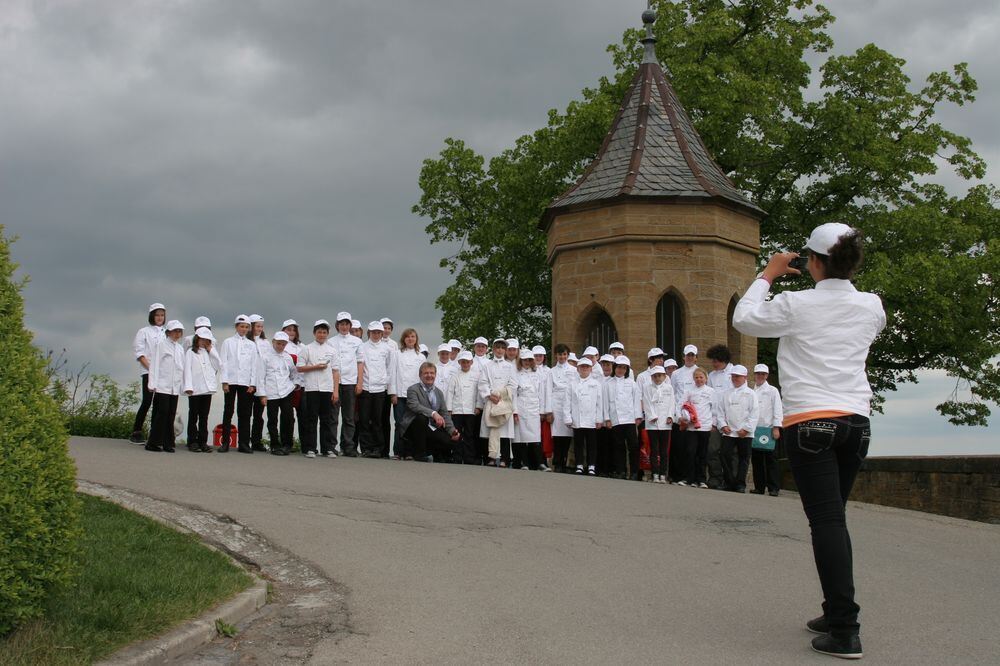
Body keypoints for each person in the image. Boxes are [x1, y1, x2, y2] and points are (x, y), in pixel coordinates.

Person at [733, 222, 886, 659]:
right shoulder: (872, 306)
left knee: (827, 524)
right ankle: (833, 610)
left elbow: (744, 319)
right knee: (834, 518)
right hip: (856, 423)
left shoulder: (795, 304)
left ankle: (844, 629)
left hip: (811, 422)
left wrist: (768, 274)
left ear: (813, 261)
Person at [400, 362, 462, 462]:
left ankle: (435, 453)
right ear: (420, 375)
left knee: (450, 440)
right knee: (421, 418)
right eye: (426, 373)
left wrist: (452, 431)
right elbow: (414, 406)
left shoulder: (439, 392)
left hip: (431, 427)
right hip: (413, 427)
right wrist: (433, 413)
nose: (429, 375)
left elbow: (445, 414)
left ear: (435, 375)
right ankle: (418, 453)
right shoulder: (412, 389)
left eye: (432, 373)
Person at [296, 320, 341, 459]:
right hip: (312, 388)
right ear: (314, 333)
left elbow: (336, 371)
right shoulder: (307, 348)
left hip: (327, 389)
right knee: (312, 419)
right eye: (319, 332)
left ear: (328, 334)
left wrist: (335, 391)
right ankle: (311, 448)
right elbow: (299, 367)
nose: (322, 335)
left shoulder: (332, 350)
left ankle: (327, 448)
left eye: (324, 332)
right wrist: (316, 367)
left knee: (326, 420)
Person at [714, 364, 759, 492]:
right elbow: (720, 411)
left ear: (744, 377)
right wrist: (723, 425)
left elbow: (754, 413)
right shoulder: (726, 393)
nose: (735, 378)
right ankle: (729, 482)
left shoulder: (751, 394)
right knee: (724, 455)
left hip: (744, 432)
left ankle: (740, 484)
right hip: (729, 431)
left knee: (743, 458)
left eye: (737, 376)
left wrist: (747, 428)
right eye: (733, 376)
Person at [219, 314, 259, 453]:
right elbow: (223, 363)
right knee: (228, 411)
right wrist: (224, 382)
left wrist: (252, 384)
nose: (244, 329)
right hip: (231, 381)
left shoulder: (252, 345)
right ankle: (225, 443)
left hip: (245, 382)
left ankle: (243, 443)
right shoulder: (227, 342)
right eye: (241, 326)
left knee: (245, 413)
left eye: (246, 327)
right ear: (236, 327)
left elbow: (254, 365)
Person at [146, 320, 185, 452]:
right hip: (162, 385)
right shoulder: (161, 345)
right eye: (175, 331)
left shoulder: (180, 348)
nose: (177, 334)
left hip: (174, 387)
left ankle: (168, 443)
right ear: (168, 332)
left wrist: (183, 385)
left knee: (171, 414)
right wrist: (152, 383)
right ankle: (153, 442)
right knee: (162, 413)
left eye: (179, 331)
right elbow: (155, 364)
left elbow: (181, 368)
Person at [258, 331, 299, 456]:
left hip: (286, 391)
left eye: (283, 344)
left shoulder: (287, 357)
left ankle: (287, 444)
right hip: (271, 392)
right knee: (272, 420)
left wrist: (294, 385)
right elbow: (260, 377)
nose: (280, 346)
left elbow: (294, 373)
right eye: (278, 343)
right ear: (273, 342)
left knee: (288, 418)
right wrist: (262, 394)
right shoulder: (265, 357)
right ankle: (275, 445)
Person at [130, 302, 166, 443]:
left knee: (159, 403)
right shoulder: (144, 331)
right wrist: (151, 368)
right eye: (157, 315)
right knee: (147, 401)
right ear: (152, 316)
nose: (159, 318)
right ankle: (136, 431)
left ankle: (155, 433)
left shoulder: (166, 332)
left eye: (162, 315)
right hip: (148, 371)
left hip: (163, 374)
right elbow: (139, 353)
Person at [478, 338, 517, 466]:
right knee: (492, 429)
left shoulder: (510, 367)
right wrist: (490, 395)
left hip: (504, 401)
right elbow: (483, 382)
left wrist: (501, 394)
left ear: (505, 350)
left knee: (504, 432)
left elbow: (513, 384)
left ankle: (505, 458)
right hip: (491, 401)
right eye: (497, 347)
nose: (500, 350)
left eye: (502, 348)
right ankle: (491, 457)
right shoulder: (487, 366)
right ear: (493, 349)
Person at [331, 312, 364, 456]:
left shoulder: (357, 342)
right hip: (335, 383)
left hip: (350, 382)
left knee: (349, 417)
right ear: (337, 325)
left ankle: (348, 446)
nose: (344, 327)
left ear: (350, 326)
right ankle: (331, 446)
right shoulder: (331, 341)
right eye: (341, 324)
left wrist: (360, 383)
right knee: (333, 416)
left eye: (346, 324)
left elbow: (360, 363)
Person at [359, 321, 394, 457]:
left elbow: (389, 369)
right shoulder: (362, 347)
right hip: (366, 387)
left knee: (377, 421)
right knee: (364, 420)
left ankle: (378, 449)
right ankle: (366, 448)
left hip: (380, 389)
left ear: (381, 334)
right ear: (369, 333)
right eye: (374, 332)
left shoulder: (387, 349)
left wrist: (386, 385)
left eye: (378, 332)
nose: (376, 334)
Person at [183, 327, 220, 453]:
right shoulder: (190, 352)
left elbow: (218, 365)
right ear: (196, 339)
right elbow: (187, 370)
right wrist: (188, 386)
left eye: (206, 340)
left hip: (207, 389)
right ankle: (192, 441)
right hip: (195, 389)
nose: (203, 342)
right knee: (193, 415)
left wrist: (211, 350)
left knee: (204, 416)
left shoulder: (209, 353)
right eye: (202, 339)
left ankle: (203, 441)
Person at [604, 356, 642, 480]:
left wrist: (638, 416)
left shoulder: (632, 383)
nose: (621, 370)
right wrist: (607, 418)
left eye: (624, 368)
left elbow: (636, 400)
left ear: (627, 370)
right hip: (616, 419)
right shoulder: (608, 383)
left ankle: (634, 472)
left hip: (630, 419)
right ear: (615, 367)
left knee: (633, 446)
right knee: (618, 446)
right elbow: (605, 402)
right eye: (619, 367)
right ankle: (620, 471)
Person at [564, 357, 603, 475]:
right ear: (578, 369)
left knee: (592, 444)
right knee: (578, 444)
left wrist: (599, 419)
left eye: (587, 367)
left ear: (591, 369)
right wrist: (568, 417)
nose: (584, 369)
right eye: (582, 367)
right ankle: (579, 465)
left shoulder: (596, 384)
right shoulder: (572, 384)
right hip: (577, 419)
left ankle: (591, 465)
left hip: (591, 419)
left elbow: (599, 402)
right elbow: (567, 402)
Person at [677, 368, 715, 488]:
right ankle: (689, 478)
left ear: (706, 378)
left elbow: (715, 409)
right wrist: (681, 417)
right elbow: (680, 405)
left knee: (702, 453)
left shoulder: (711, 391)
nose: (699, 379)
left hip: (705, 426)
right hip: (691, 427)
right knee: (690, 452)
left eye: (701, 377)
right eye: (696, 377)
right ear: (693, 379)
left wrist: (713, 423)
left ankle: (701, 479)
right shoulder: (689, 391)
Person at [513, 349, 549, 471]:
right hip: (521, 407)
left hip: (534, 408)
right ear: (521, 361)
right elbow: (513, 394)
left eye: (529, 360)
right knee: (521, 437)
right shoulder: (516, 374)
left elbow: (542, 393)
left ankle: (540, 463)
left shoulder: (538, 374)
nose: (527, 362)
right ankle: (524, 463)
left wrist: (542, 411)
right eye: (524, 360)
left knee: (536, 437)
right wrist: (515, 411)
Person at [752, 363, 784, 496]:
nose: (760, 376)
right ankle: (759, 487)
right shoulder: (751, 390)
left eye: (763, 374)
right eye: (758, 374)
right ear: (754, 375)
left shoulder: (772, 390)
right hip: (754, 428)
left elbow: (778, 409)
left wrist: (776, 427)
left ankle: (773, 487)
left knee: (771, 459)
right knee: (757, 459)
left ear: (767, 375)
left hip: (768, 428)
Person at [706, 344, 735, 490]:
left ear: (722, 359)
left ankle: (731, 479)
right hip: (715, 418)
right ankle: (715, 478)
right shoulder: (711, 375)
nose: (713, 364)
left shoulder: (734, 373)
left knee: (729, 452)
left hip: (730, 419)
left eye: (715, 361)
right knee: (712, 450)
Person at [392, 328, 424, 459]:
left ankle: (409, 452)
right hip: (399, 394)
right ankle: (398, 451)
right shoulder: (397, 354)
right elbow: (392, 373)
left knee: (411, 423)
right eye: (408, 337)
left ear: (416, 339)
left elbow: (422, 377)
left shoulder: (421, 356)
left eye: (413, 336)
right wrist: (392, 393)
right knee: (399, 423)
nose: (410, 339)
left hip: (414, 396)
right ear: (403, 339)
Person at [446, 350, 482, 464]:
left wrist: (478, 406)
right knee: (456, 433)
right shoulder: (455, 376)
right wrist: (449, 409)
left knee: (469, 435)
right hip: (457, 411)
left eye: (467, 362)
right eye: (463, 362)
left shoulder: (477, 376)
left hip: (471, 411)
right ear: (459, 363)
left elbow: (478, 393)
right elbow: (450, 392)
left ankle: (469, 457)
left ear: (471, 362)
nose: (465, 364)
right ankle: (457, 456)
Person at [642, 366, 674, 483]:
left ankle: (663, 474)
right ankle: (655, 473)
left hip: (665, 423)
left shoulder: (669, 388)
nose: (657, 378)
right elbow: (647, 403)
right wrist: (652, 416)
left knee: (664, 450)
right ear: (651, 377)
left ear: (664, 376)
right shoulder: (647, 388)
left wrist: (670, 416)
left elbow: (672, 403)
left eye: (660, 375)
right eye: (655, 376)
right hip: (652, 423)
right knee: (654, 449)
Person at [547, 343, 575, 472]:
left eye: (564, 354)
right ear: (556, 355)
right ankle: (557, 462)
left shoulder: (574, 370)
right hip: (556, 404)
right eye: (560, 354)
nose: (562, 357)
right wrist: (549, 410)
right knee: (557, 435)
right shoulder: (551, 371)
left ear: (568, 355)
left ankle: (564, 461)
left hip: (569, 404)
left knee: (567, 435)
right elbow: (548, 391)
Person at [247, 315, 269, 452]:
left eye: (261, 326)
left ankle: (256, 441)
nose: (260, 329)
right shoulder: (247, 342)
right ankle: (244, 440)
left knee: (259, 415)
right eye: (257, 326)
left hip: (262, 383)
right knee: (246, 413)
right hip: (249, 383)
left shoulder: (265, 342)